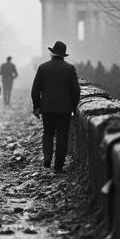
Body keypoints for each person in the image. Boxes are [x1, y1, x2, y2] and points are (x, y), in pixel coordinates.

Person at [31, 40, 80, 172]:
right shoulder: (70, 68)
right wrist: (74, 107)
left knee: (48, 132)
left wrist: (36, 105)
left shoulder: (43, 67)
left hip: (47, 107)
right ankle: (59, 166)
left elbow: (35, 89)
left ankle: (47, 155)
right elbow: (76, 91)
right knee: (62, 135)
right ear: (64, 55)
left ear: (52, 53)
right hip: (64, 108)